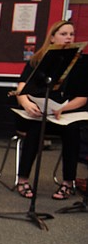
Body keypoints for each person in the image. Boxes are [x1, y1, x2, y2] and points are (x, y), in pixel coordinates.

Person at [13, 20, 87, 200]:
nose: (69, 38)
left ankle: (68, 183)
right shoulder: (39, 59)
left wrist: (62, 108)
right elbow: (21, 87)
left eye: (71, 34)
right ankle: (22, 180)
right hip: (39, 113)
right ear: (52, 38)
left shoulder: (81, 63)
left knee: (73, 131)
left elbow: (83, 97)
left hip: (64, 114)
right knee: (35, 130)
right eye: (63, 34)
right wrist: (25, 103)